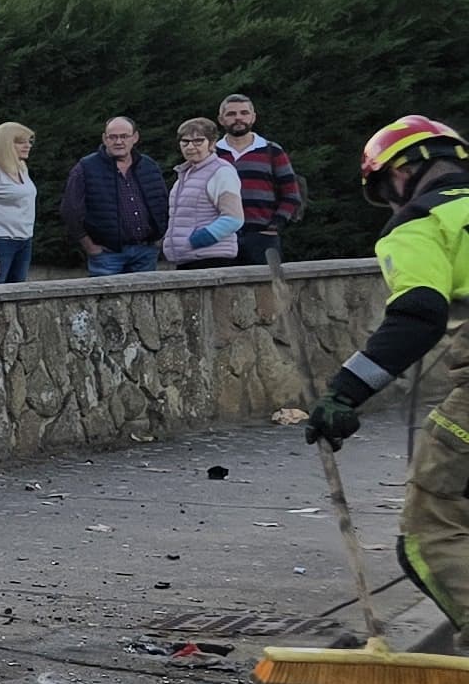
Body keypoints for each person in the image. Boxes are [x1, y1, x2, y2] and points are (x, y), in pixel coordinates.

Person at [303, 117, 469, 627]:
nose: (392, 205)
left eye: (385, 191)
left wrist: (344, 395)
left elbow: (418, 315)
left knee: (429, 533)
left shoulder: (423, 221)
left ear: (402, 173)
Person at [64, 116, 169, 275]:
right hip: (107, 255)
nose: (118, 141)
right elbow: (70, 210)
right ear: (104, 139)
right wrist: (90, 246)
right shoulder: (86, 168)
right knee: (106, 300)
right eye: (113, 137)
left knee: (143, 299)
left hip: (146, 252)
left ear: (135, 137)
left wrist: (159, 238)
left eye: (124, 136)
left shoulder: (148, 165)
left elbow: (164, 203)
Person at [218, 93, 307, 266]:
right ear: (221, 119)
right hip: (221, 238)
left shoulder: (271, 151)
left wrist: (274, 226)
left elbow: (291, 194)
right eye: (231, 114)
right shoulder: (212, 154)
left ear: (253, 117)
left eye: (244, 113)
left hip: (262, 237)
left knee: (267, 290)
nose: (238, 118)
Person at [162, 116, 245, 269]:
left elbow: (234, 219)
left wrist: (197, 240)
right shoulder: (184, 175)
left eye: (198, 141)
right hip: (187, 259)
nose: (190, 146)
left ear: (212, 143)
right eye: (185, 142)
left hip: (211, 259)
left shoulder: (221, 171)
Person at [0, 121, 39, 284]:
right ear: (4, 144)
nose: (27, 146)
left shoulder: (21, 167)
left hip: (24, 240)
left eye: (29, 142)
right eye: (20, 142)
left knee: (17, 293)